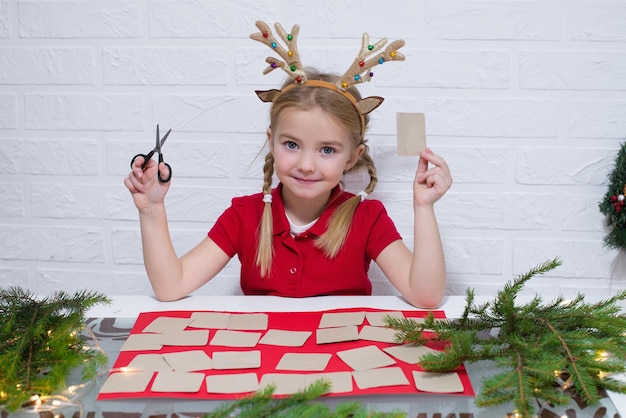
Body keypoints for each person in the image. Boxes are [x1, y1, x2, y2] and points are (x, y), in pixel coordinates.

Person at [124, 23, 452, 309]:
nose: (306, 165)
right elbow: (170, 287)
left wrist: (423, 208)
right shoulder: (243, 216)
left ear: (352, 157)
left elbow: (425, 297)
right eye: (292, 145)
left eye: (327, 149)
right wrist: (151, 210)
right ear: (272, 141)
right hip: (261, 366)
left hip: (342, 363)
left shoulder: (367, 219)